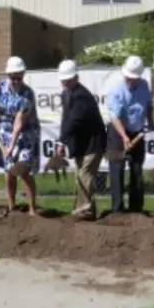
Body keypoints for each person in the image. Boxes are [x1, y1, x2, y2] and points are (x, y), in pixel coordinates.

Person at [0, 56, 41, 215]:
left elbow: (19, 122)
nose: (16, 80)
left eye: (19, 77)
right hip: (4, 131)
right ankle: (11, 206)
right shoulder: (0, 86)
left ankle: (32, 208)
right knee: (9, 170)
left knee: (23, 170)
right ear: (7, 75)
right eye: (13, 77)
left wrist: (11, 146)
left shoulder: (27, 95)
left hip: (25, 133)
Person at [57, 59, 107, 220]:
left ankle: (83, 210)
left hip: (93, 143)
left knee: (84, 175)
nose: (66, 82)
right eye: (64, 79)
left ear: (76, 78)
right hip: (81, 144)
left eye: (69, 79)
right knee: (80, 176)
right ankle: (88, 210)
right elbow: (66, 119)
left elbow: (74, 121)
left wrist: (62, 140)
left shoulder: (81, 97)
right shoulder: (66, 94)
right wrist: (61, 141)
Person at [106, 56, 154, 214]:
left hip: (137, 131)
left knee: (137, 169)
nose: (131, 81)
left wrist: (151, 121)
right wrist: (124, 137)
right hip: (118, 132)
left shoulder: (144, 86)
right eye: (128, 78)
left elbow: (148, 105)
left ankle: (136, 208)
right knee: (117, 168)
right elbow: (115, 117)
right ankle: (117, 208)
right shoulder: (117, 91)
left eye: (134, 78)